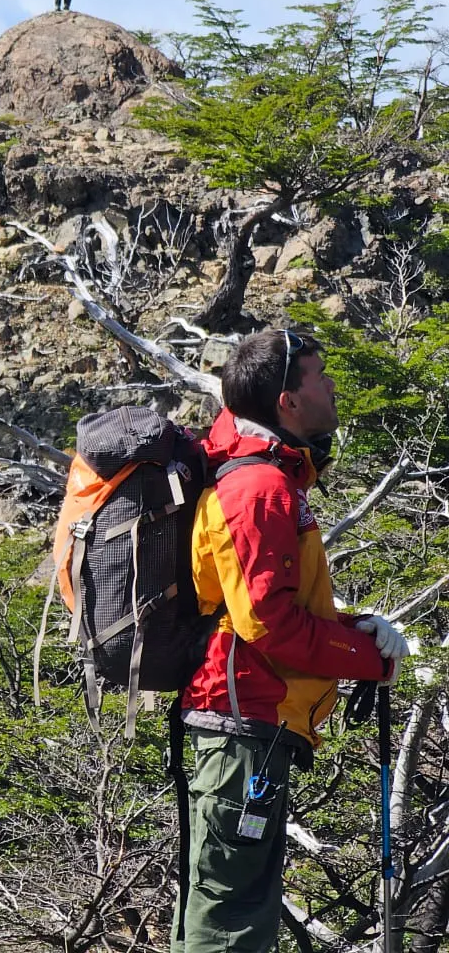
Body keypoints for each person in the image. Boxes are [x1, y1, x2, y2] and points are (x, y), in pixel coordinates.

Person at [172, 328, 410, 953]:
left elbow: (276, 606)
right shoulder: (259, 489)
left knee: (227, 902)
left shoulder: (272, 480)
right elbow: (265, 623)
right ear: (289, 400)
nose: (330, 383)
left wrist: (360, 631)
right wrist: (366, 659)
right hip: (244, 717)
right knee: (231, 915)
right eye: (318, 374)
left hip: (248, 720)